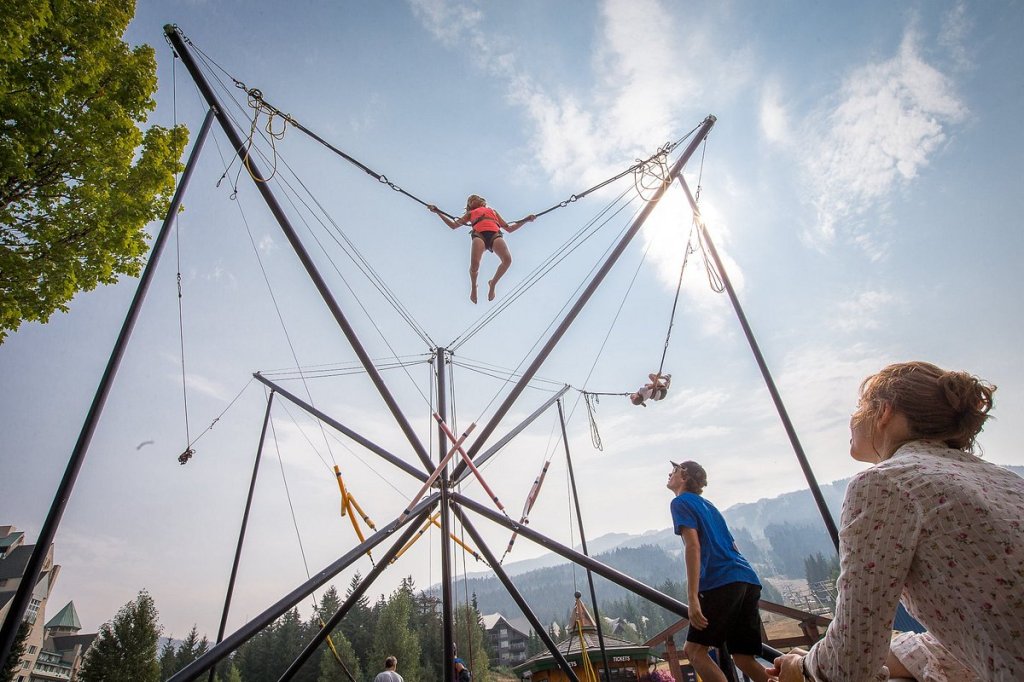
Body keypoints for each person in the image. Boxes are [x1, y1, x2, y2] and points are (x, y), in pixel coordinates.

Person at [768, 361, 1024, 682]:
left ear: (883, 411)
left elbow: (849, 665)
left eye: (860, 406)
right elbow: (994, 629)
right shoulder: (1000, 477)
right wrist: (893, 652)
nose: (851, 418)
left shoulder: (887, 483)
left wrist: (803, 669)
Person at [667, 460, 769, 682]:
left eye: (674, 470)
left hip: (721, 581)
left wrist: (692, 597)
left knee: (694, 651)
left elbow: (693, 546)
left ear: (684, 477)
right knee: (743, 658)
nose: (669, 473)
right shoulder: (708, 505)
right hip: (747, 578)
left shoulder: (680, 503)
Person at [428, 195, 535, 303]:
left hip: (495, 234)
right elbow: (453, 225)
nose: (472, 200)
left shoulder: (493, 211)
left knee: (507, 260)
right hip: (479, 235)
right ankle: (474, 286)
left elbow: (509, 228)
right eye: (470, 201)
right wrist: (438, 212)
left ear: (482, 201)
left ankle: (492, 283)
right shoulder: (470, 214)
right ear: (469, 206)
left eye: (474, 199)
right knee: (475, 265)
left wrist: (526, 220)